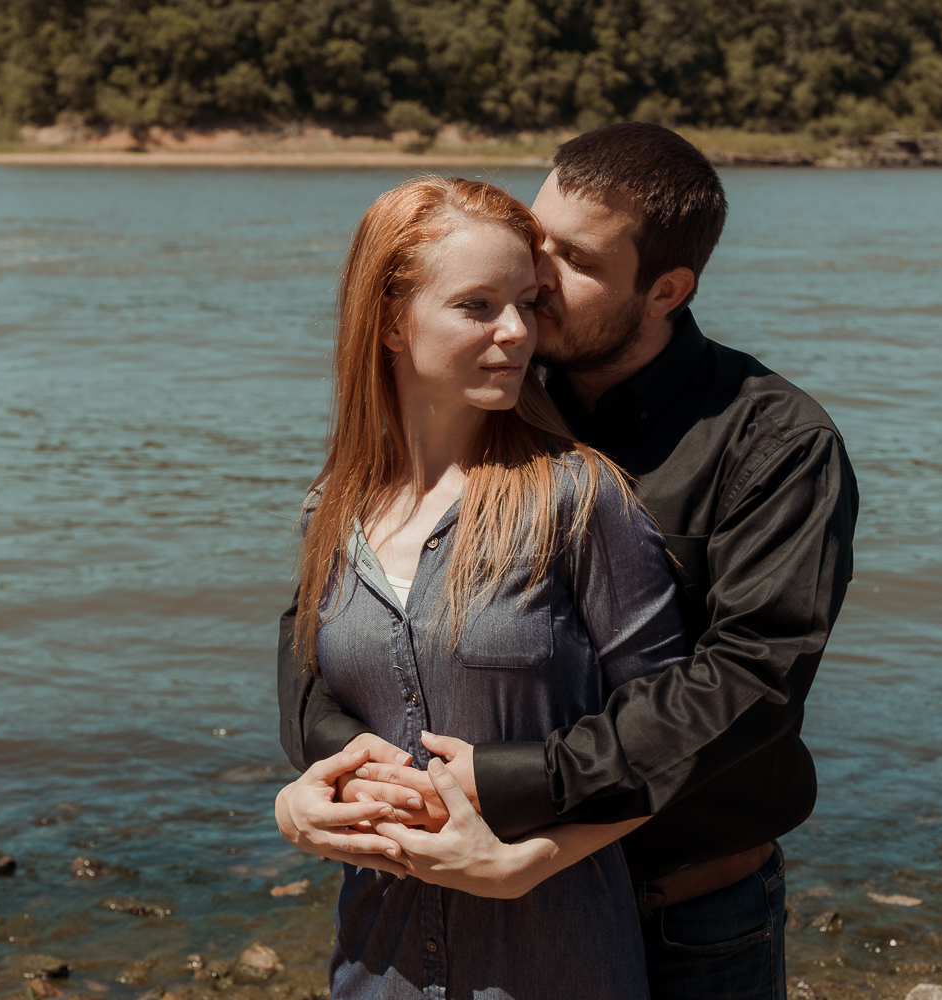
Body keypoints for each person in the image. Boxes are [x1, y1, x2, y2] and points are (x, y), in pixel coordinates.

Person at [279, 123, 859, 1000]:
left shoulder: (772, 441)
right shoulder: (490, 392)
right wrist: (325, 774)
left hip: (687, 908)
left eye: (575, 260)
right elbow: (322, 633)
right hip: (456, 909)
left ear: (667, 289)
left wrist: (520, 798)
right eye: (537, 238)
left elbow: (748, 687)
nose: (535, 279)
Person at [273, 174, 693, 999]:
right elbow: (322, 711)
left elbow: (671, 735)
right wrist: (296, 809)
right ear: (391, 321)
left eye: (528, 304)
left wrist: (519, 863)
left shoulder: (579, 497)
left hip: (554, 961)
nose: (518, 334)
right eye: (477, 306)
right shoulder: (331, 511)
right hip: (374, 965)